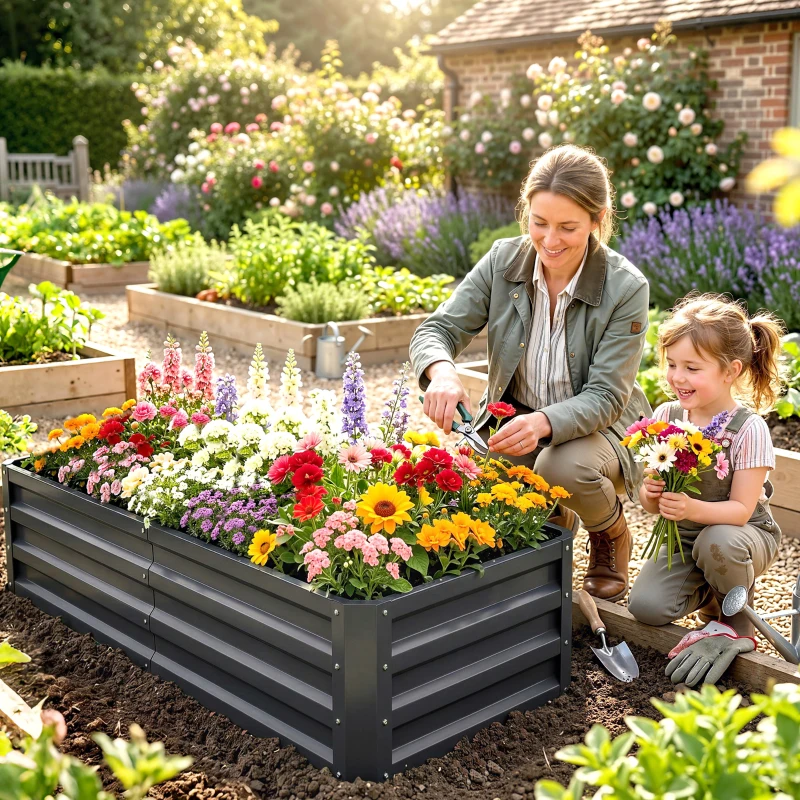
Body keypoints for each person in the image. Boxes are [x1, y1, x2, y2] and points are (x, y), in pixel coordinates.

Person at [410, 144, 651, 602]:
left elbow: (605, 395)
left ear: (597, 219)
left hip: (600, 427)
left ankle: (609, 533)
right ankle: (554, 517)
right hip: (516, 416)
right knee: (490, 507)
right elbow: (437, 329)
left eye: (568, 227)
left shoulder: (625, 286)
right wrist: (441, 372)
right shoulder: (504, 262)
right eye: (539, 223)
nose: (550, 240)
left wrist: (543, 423)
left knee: (560, 465)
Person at [628, 294, 784, 651]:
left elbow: (741, 511)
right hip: (683, 536)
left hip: (741, 535)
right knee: (647, 607)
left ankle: (737, 620)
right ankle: (715, 596)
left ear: (732, 371)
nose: (677, 378)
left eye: (692, 368)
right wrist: (650, 495)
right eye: (671, 364)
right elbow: (652, 498)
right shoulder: (668, 415)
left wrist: (691, 509)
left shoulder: (749, 428)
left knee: (719, 542)